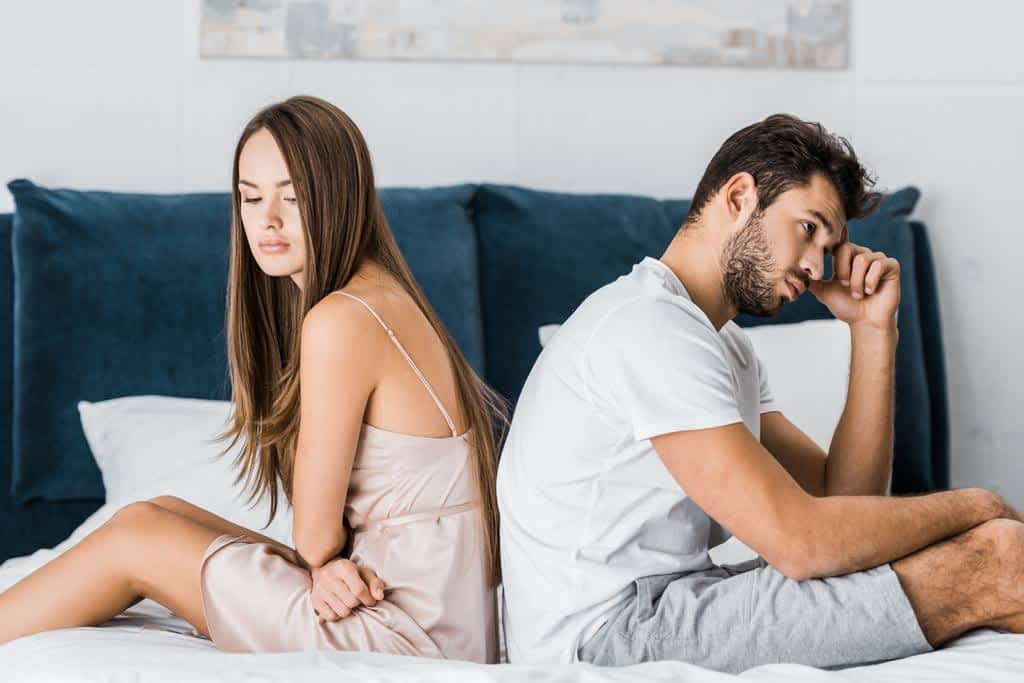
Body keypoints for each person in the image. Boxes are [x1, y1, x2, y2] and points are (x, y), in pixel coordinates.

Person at [496, 113, 1024, 673]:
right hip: (605, 640)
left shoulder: (725, 346)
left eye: (829, 245)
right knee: (996, 556)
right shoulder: (647, 325)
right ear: (741, 195)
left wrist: (872, 332)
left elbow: (840, 505)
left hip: (671, 603)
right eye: (808, 228)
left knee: (983, 553)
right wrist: (977, 504)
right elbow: (801, 545)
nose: (816, 265)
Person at [0, 95, 506, 663]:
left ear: (340, 198)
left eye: (292, 197)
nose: (266, 219)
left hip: (404, 634)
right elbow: (326, 546)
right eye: (250, 196)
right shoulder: (384, 295)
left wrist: (322, 563)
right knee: (150, 512)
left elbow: (315, 538)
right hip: (416, 607)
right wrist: (324, 564)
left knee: (134, 541)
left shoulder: (342, 319)